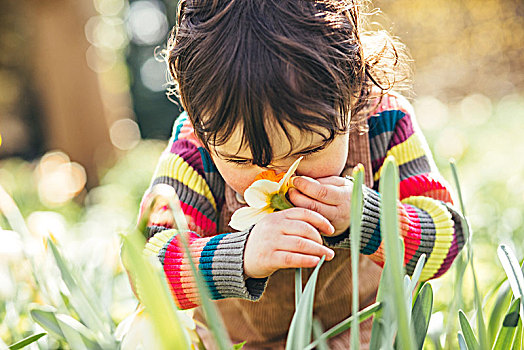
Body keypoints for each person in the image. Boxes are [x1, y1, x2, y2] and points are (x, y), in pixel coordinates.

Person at [137, 0, 466, 348]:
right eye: (243, 160)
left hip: (364, 338)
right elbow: (147, 272)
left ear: (352, 91)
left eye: (308, 151)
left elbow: (447, 240)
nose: (280, 178)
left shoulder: (383, 124)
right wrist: (241, 255)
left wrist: (364, 217)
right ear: (200, 127)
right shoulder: (193, 155)